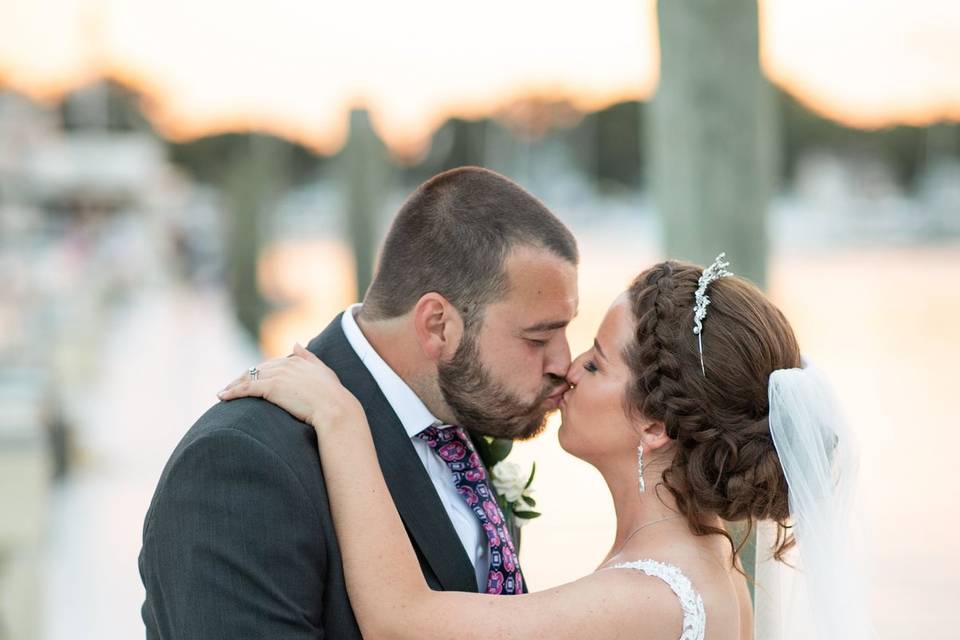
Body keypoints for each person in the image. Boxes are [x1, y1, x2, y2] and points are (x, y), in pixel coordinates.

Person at [219, 254, 859, 639]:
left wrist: (340, 417)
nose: (569, 368)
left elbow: (401, 622)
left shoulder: (654, 594)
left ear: (656, 426)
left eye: (600, 364)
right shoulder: (709, 565)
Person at [138, 167, 579, 638]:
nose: (565, 362)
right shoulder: (241, 463)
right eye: (539, 337)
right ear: (437, 325)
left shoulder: (460, 422)